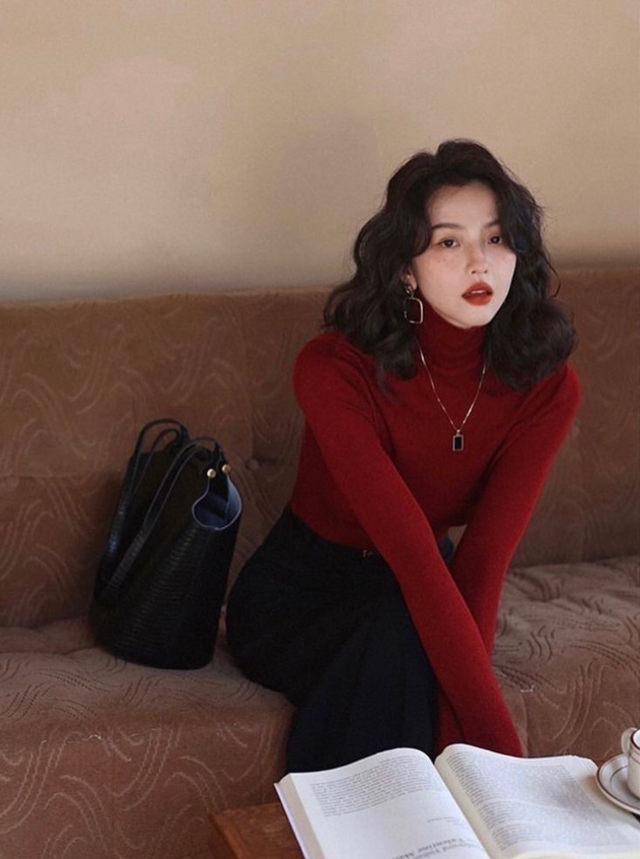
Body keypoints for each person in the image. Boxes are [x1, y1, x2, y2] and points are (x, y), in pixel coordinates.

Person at [226, 139, 580, 773]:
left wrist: (477, 747)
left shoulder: (547, 388)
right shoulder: (334, 369)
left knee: (408, 637)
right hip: (300, 596)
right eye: (448, 242)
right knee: (403, 639)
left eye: (497, 238)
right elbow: (415, 562)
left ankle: (378, 818)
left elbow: (482, 563)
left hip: (420, 593)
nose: (479, 262)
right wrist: (506, 764)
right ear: (405, 270)